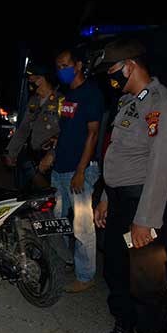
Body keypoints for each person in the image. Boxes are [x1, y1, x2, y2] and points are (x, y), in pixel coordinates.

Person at [88, 38, 167, 333]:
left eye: (112, 71)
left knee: (146, 281)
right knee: (116, 272)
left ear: (130, 65)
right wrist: (104, 198)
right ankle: (124, 332)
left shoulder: (162, 104)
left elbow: (161, 166)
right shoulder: (129, 102)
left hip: (142, 204)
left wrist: (145, 220)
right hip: (118, 201)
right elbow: (116, 155)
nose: (109, 78)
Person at [48, 47, 104, 293]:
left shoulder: (91, 93)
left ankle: (85, 275)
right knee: (55, 220)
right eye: (58, 67)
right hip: (60, 169)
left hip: (80, 170)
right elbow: (65, 131)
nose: (62, 70)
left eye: (66, 65)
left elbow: (92, 134)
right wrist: (52, 153)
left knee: (82, 224)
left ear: (78, 65)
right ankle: (67, 262)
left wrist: (81, 171)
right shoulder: (65, 95)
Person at [3, 63, 61, 190]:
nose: (30, 81)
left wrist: (52, 154)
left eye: (32, 78)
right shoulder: (34, 101)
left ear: (42, 78)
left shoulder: (60, 100)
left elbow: (66, 132)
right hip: (35, 156)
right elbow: (23, 128)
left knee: (54, 196)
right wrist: (11, 153)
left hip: (54, 158)